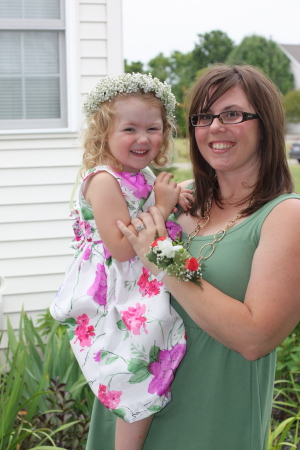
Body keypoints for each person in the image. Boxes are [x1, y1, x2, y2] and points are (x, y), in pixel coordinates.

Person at [86, 65, 300, 450]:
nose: (215, 127)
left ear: (265, 124)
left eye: (232, 114)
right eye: (203, 116)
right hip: (128, 414)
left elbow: (255, 338)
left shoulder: (286, 216)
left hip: (209, 424)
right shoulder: (175, 197)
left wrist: (161, 261)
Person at [50, 73, 195, 450]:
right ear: (104, 134)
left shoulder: (140, 174)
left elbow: (144, 210)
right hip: (114, 286)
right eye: (130, 128)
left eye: (153, 128)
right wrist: (162, 206)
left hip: (138, 277)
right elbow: (122, 246)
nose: (143, 138)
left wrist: (174, 199)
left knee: (154, 349)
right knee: (134, 364)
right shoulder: (103, 180)